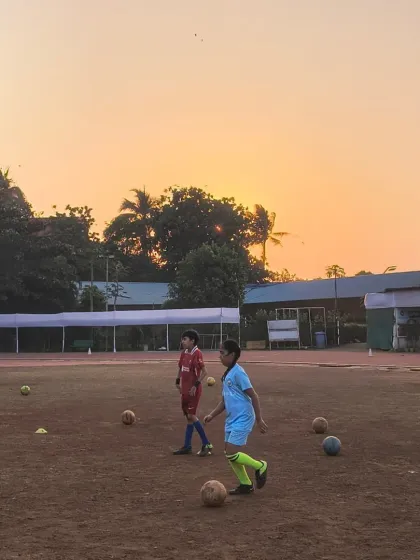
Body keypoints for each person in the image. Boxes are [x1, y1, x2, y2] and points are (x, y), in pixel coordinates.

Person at [204, 339, 268, 495]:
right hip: (232, 418)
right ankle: (245, 484)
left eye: (222, 353)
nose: (219, 356)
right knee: (229, 453)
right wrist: (212, 415)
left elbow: (254, 396)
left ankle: (260, 466)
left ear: (232, 355)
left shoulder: (238, 373)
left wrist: (259, 419)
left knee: (232, 452)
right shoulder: (227, 374)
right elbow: (225, 401)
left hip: (244, 417)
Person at [173, 329, 213, 457]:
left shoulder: (197, 353)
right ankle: (187, 446)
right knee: (188, 418)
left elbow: (204, 372)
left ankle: (207, 443)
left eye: (185, 339)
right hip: (184, 389)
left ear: (192, 341)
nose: (182, 341)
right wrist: (177, 381)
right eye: (182, 339)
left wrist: (196, 385)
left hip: (193, 390)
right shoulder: (184, 353)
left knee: (191, 416)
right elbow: (180, 367)